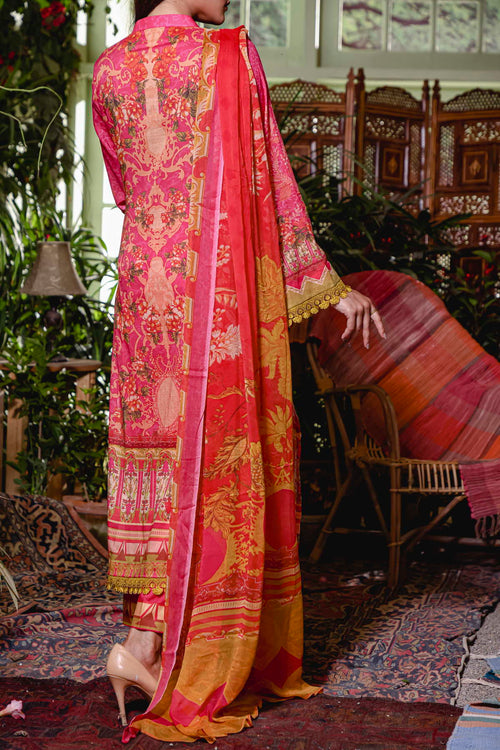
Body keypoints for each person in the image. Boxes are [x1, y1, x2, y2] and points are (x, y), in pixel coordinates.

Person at [92, 0, 385, 743]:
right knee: (211, 467)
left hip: (145, 304)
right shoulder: (227, 57)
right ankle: (161, 652)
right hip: (211, 303)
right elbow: (271, 186)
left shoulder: (108, 70)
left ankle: (142, 647)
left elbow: (129, 192)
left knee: (165, 471)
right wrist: (329, 285)